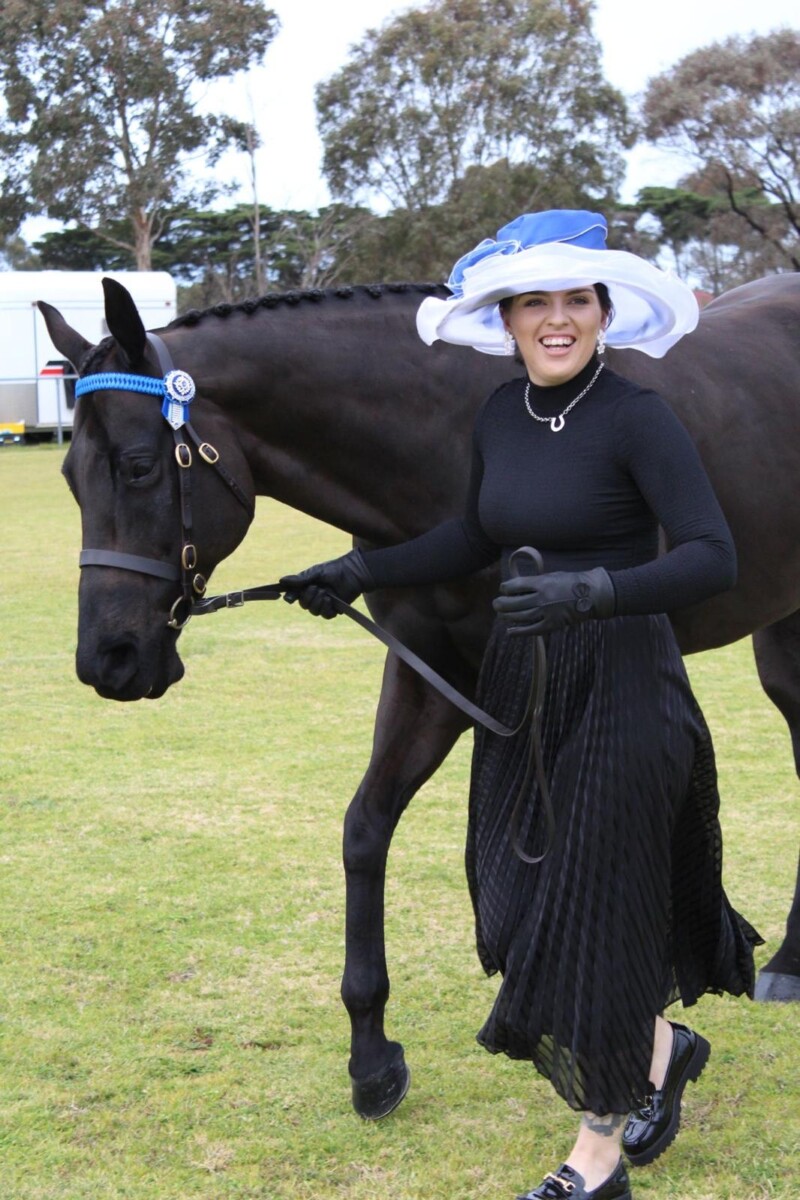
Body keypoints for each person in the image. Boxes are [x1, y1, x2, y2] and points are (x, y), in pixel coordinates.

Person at [280, 211, 761, 1200]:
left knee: (596, 919)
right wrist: (358, 569)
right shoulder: (502, 415)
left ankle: (595, 1162)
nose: (555, 319)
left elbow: (712, 557)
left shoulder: (638, 417)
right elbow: (472, 535)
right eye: (533, 302)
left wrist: (593, 592)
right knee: (527, 904)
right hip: (528, 690)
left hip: (626, 686)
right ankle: (661, 1048)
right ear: (505, 319)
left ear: (602, 312)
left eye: (574, 300)